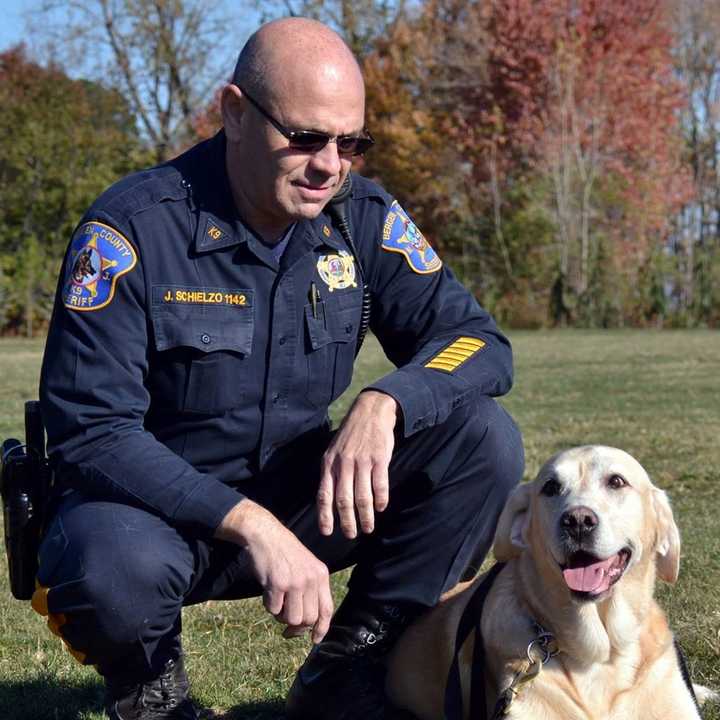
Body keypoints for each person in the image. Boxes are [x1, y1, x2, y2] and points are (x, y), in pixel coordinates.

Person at [34, 16, 524, 720]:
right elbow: (90, 431)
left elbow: (479, 342)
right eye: (305, 138)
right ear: (234, 111)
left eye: (351, 142)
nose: (331, 164)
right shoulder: (134, 228)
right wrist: (250, 525)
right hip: (156, 517)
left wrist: (390, 400)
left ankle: (355, 666)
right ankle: (153, 694)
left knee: (483, 438)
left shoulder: (360, 219)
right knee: (106, 562)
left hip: (303, 499)